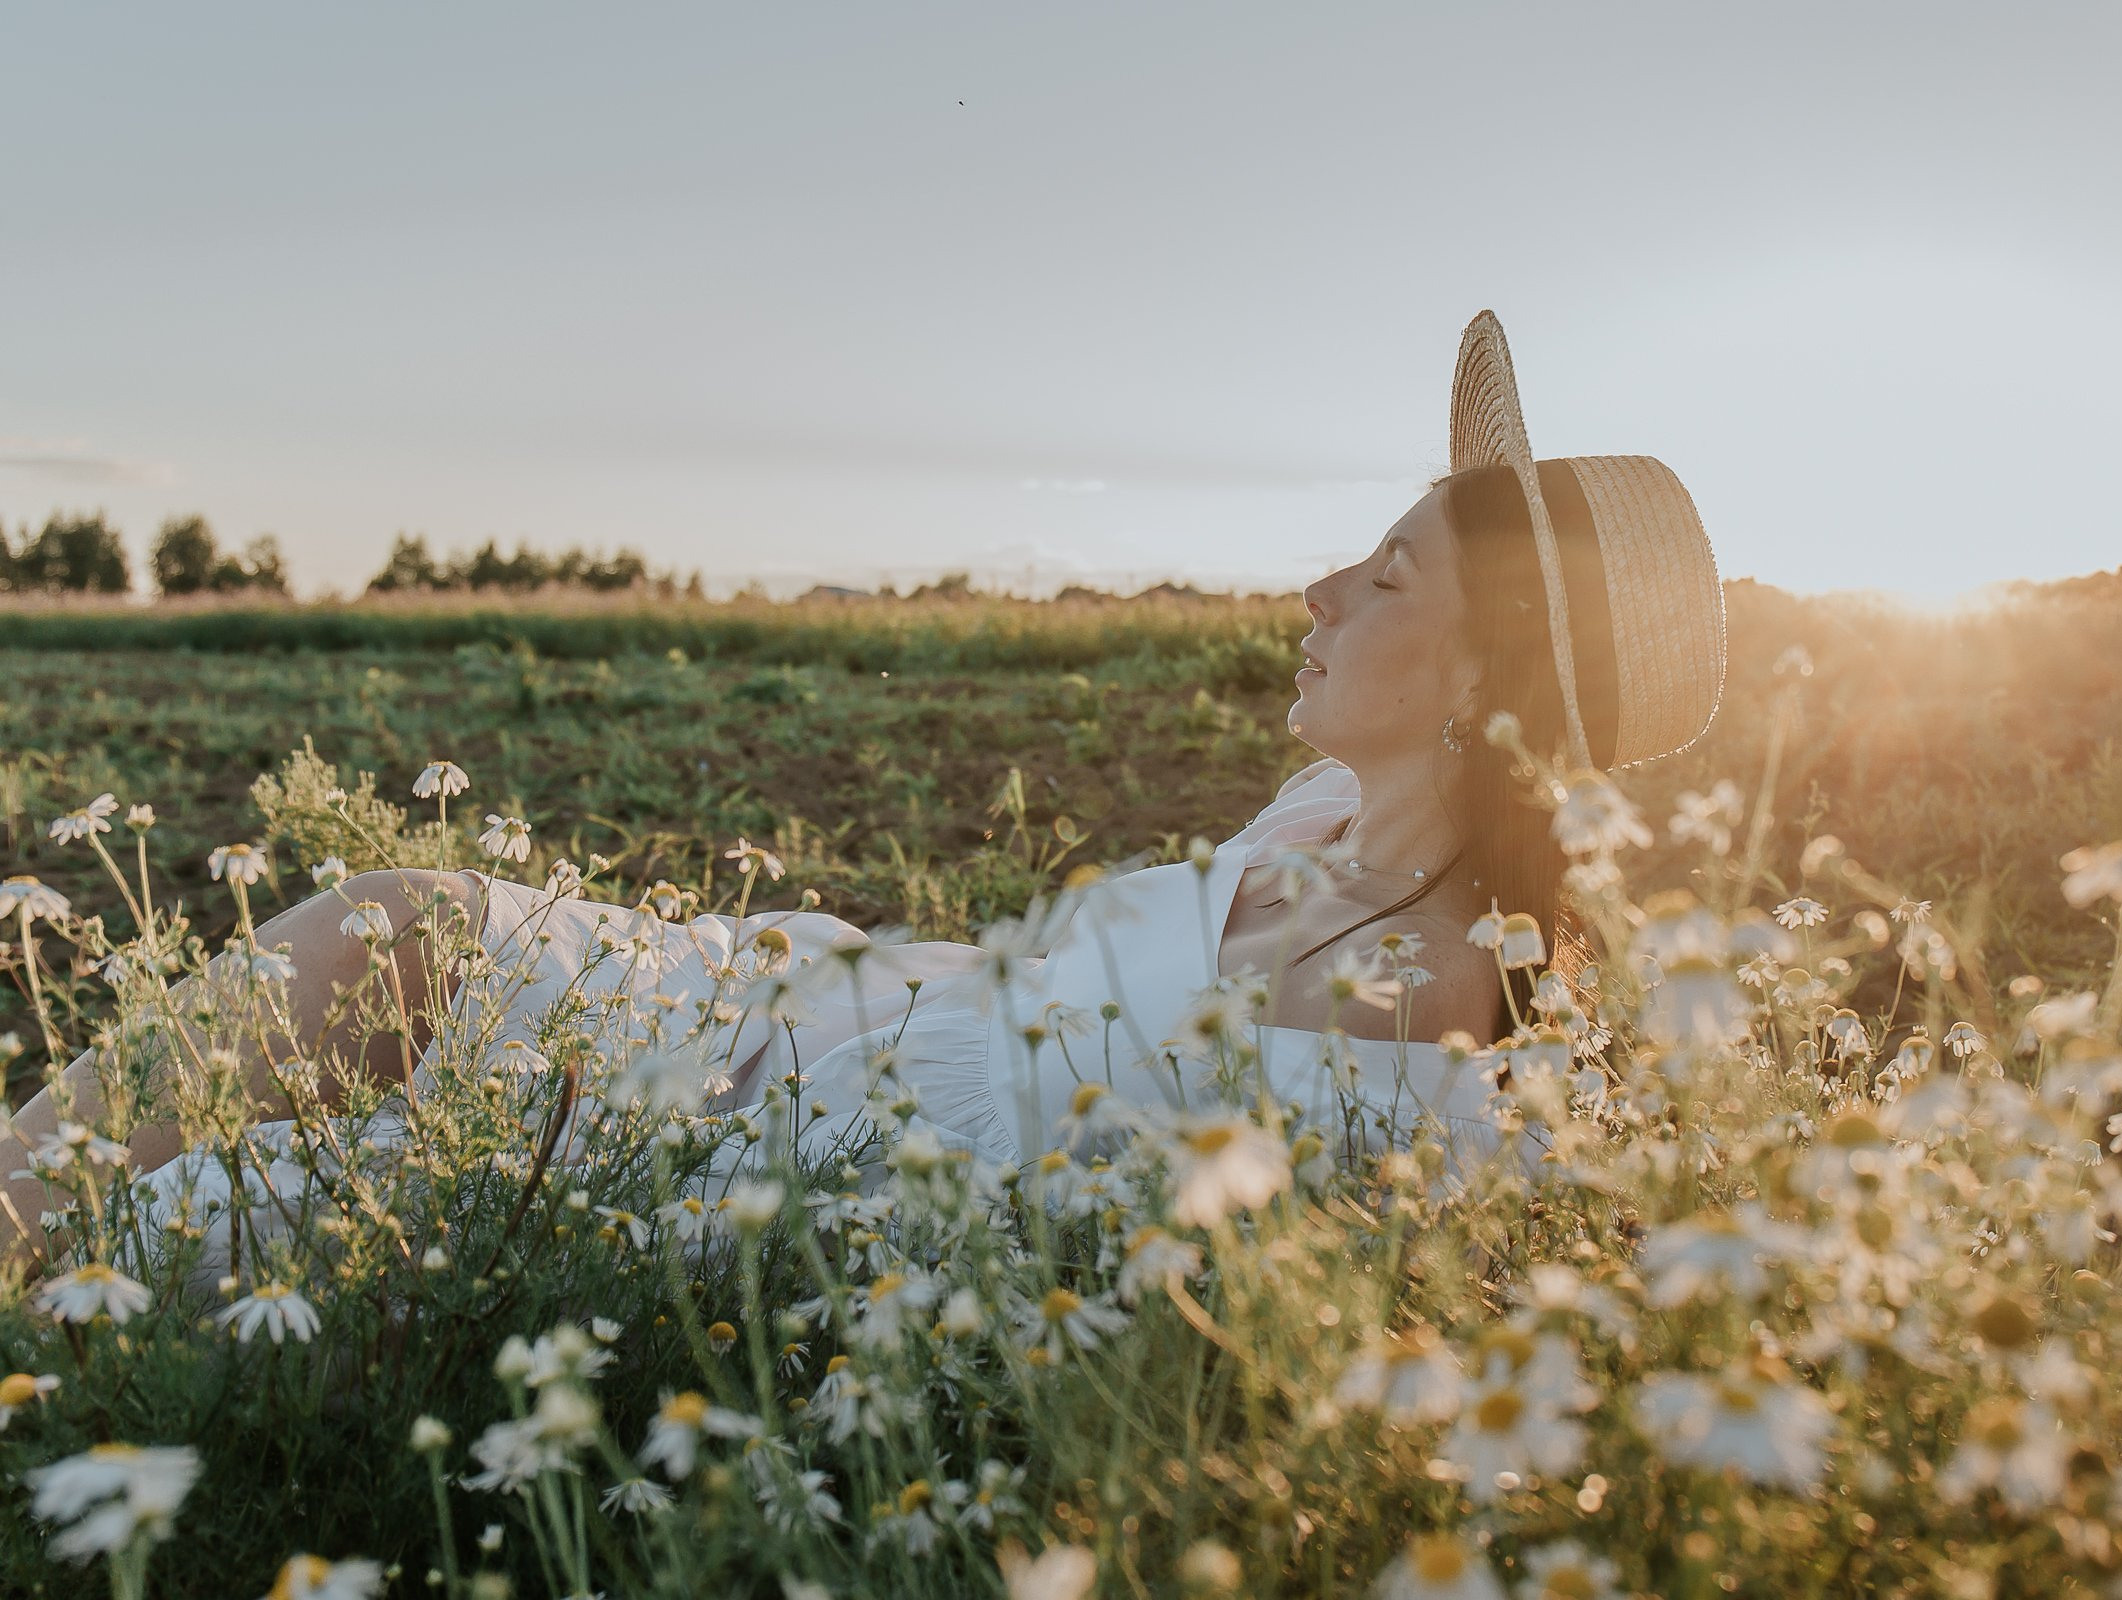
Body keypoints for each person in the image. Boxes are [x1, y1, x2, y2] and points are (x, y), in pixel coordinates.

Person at [0, 310, 1726, 1270]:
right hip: (788, 1004)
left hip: (758, 1152)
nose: (1319, 591)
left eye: (1388, 577)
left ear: (1486, 681)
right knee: (400, 924)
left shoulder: (1420, 1054)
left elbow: (1095, 1250)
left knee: (223, 1217)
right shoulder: (1324, 823)